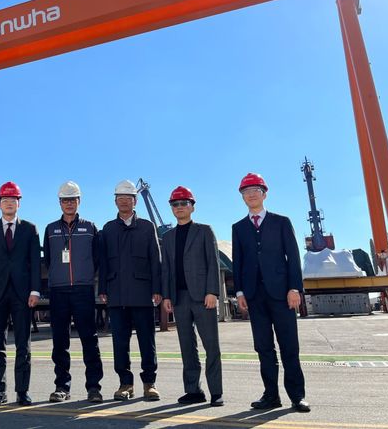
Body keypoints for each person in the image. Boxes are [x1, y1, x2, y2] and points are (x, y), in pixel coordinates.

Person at [232, 173, 310, 413]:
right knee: (263, 348)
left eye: (255, 190)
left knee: (289, 346)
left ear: (264, 194)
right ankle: (271, 395)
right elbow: (238, 262)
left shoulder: (281, 222)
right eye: (246, 191)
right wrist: (240, 292)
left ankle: (297, 396)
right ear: (242, 197)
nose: (251, 195)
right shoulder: (239, 228)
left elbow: (293, 257)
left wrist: (294, 288)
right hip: (255, 296)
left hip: (282, 294)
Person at [0, 181, 42, 406]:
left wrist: (35, 290)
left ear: (18, 204)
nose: (9, 203)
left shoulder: (30, 229)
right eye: (5, 200)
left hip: (23, 295)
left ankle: (22, 391)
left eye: (13, 200)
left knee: (24, 345)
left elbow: (35, 263)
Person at [99, 180, 162, 401]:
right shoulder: (108, 229)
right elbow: (104, 262)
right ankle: (125, 384)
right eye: (120, 198)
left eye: (128, 198)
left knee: (147, 341)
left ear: (135, 201)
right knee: (120, 342)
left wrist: (157, 289)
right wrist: (103, 288)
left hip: (143, 293)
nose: (124, 201)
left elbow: (155, 260)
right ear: (115, 201)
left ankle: (149, 383)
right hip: (116, 294)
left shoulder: (147, 227)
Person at [161, 186, 223, 407]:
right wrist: (167, 296)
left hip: (202, 297)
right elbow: (166, 269)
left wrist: (212, 291)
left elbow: (213, 263)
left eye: (183, 203)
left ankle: (216, 392)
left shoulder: (204, 231)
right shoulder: (167, 237)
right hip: (179, 298)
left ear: (192, 207)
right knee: (187, 347)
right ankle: (193, 390)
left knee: (211, 345)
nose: (179, 207)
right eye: (175, 204)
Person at [43, 181, 104, 403]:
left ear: (79, 201)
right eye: (65, 200)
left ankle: (94, 387)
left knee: (89, 340)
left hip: (82, 290)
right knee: (60, 342)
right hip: (58, 291)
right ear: (60, 203)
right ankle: (62, 386)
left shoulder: (90, 228)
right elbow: (48, 260)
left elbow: (97, 259)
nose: (69, 204)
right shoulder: (50, 229)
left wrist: (84, 275)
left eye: (73, 200)